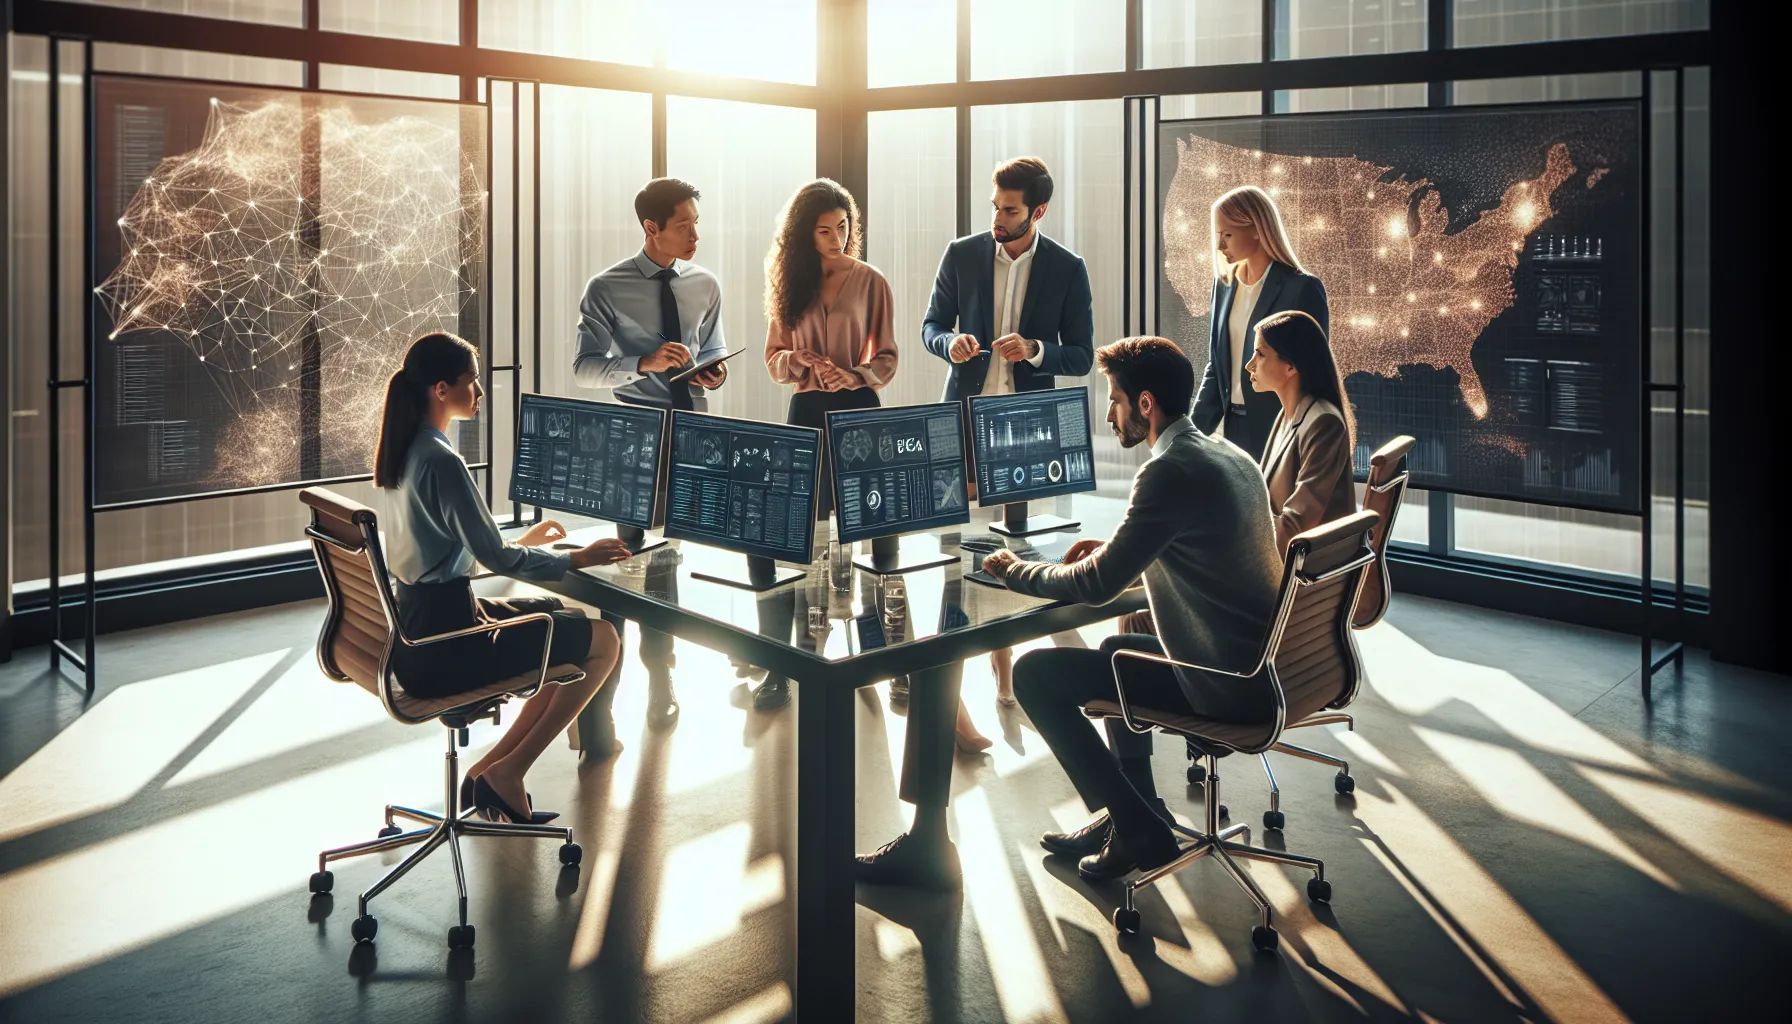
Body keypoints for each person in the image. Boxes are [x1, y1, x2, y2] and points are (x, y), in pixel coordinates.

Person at [982, 337, 1282, 881]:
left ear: (1145, 405)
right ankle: (1134, 813)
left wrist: (1015, 570)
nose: (1108, 412)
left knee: (1034, 675)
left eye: (1115, 399)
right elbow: (1194, 545)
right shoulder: (1226, 454)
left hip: (1219, 681)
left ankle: (1136, 827)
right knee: (1119, 648)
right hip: (1258, 668)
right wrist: (1121, 551)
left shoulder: (1168, 470)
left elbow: (1096, 586)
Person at [376, 332, 632, 825]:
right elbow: (495, 558)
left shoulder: (406, 451)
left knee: (562, 617)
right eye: (471, 382)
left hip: (418, 633)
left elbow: (442, 551)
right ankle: (511, 770)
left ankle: (491, 769)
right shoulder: (442, 460)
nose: (479, 392)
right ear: (441, 389)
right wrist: (577, 558)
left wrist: (526, 544)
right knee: (602, 640)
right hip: (450, 643)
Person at [920, 156, 1095, 706]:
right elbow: (930, 326)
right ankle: (957, 672)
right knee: (960, 547)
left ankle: (1011, 662)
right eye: (995, 206)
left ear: (1037, 211)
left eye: (1010, 209)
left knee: (1017, 547)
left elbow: (1083, 356)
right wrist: (949, 344)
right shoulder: (961, 254)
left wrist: (1038, 351)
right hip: (965, 419)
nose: (998, 216)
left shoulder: (1068, 268)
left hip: (1028, 427)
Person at [570, 178, 730, 737]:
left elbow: (713, 350)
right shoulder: (605, 287)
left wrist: (715, 369)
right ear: (651, 228)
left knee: (666, 565)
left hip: (692, 432)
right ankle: (599, 706)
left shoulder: (705, 284)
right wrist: (643, 363)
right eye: (683, 223)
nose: (695, 233)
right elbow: (585, 369)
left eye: (696, 221)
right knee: (619, 562)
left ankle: (661, 681)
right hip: (632, 436)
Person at [1117, 308, 1356, 635]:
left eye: (1260, 353)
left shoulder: (1322, 423)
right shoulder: (1290, 415)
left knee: (1145, 609)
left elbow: (1295, 530)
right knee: (1154, 590)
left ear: (1290, 365)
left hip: (1296, 587)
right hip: (1275, 569)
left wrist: (1226, 542)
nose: (1248, 365)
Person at [761, 178, 899, 710]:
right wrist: (798, 362)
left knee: (879, 536)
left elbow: (887, 355)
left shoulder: (871, 281)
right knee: (806, 539)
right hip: (807, 413)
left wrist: (859, 375)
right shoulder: (785, 283)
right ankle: (799, 661)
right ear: (803, 234)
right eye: (824, 230)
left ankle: (886, 660)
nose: (837, 238)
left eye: (844, 227)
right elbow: (774, 359)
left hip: (861, 411)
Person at [1191, 185, 1329, 462]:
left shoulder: (1302, 288)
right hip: (1232, 430)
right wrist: (1191, 436)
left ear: (1257, 228)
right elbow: (1217, 367)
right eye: (1218, 235)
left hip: (1282, 428)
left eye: (1227, 234)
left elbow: (1313, 372)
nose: (1219, 245)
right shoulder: (1224, 286)